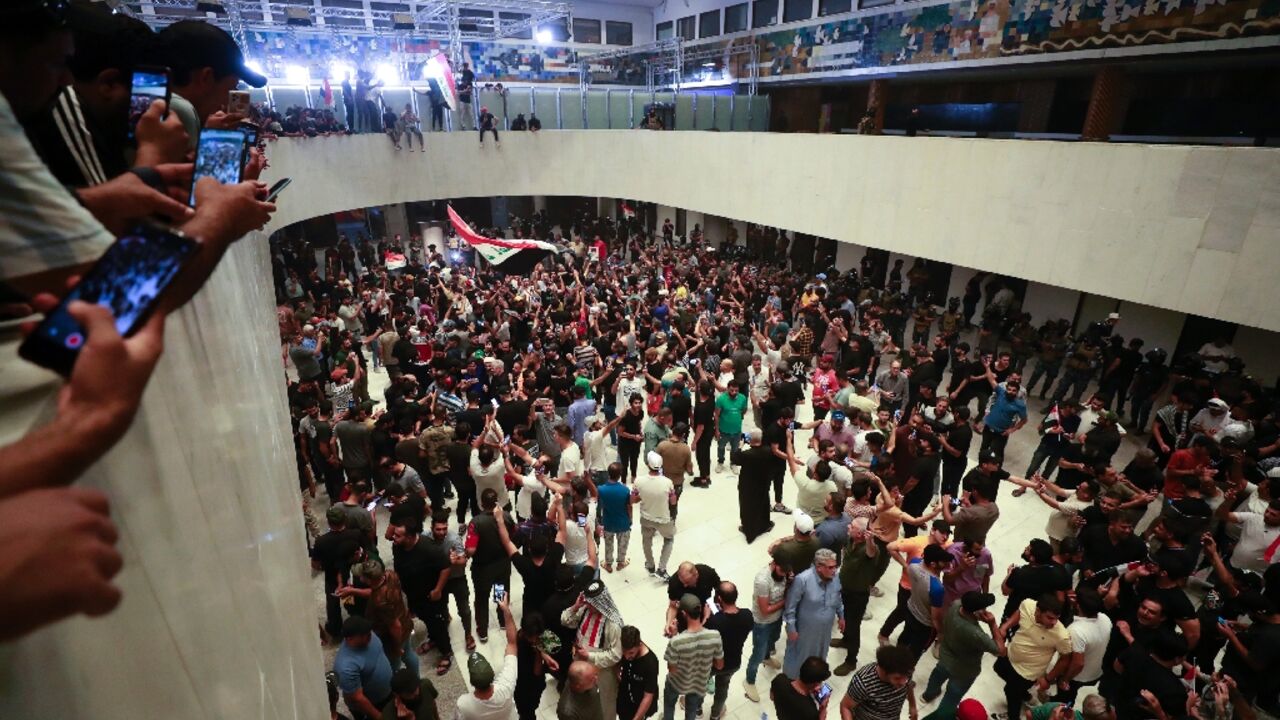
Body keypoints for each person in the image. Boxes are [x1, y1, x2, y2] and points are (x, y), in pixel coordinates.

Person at [919, 591, 1005, 708]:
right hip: (964, 670)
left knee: (937, 676)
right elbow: (1001, 651)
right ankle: (943, 713)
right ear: (975, 611)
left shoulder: (956, 604)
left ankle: (928, 695)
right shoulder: (975, 633)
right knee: (953, 695)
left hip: (945, 656)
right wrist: (992, 624)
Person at [993, 595, 1073, 720]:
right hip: (1010, 654)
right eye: (1050, 618)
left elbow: (1065, 659)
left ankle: (1013, 716)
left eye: (1056, 618)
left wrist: (1048, 679)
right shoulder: (1028, 604)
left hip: (1027, 671)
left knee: (1010, 692)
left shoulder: (1061, 635)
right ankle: (1026, 696)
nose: (1053, 622)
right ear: (1038, 611)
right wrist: (1005, 626)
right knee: (998, 668)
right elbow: (1019, 613)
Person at [783, 549, 845, 678]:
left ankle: (814, 681)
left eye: (835, 567)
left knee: (820, 657)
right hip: (805, 632)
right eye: (830, 567)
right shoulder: (802, 580)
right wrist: (791, 629)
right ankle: (793, 682)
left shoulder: (835, 577)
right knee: (800, 659)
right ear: (819, 567)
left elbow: (837, 598)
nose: (834, 570)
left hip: (825, 630)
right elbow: (790, 608)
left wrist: (841, 616)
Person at [456, 596, 519, 720]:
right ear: (492, 674)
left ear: (472, 681)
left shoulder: (463, 704)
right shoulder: (506, 685)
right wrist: (506, 610)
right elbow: (512, 643)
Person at [663, 594, 725, 720]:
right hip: (698, 683)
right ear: (701, 610)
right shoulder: (714, 636)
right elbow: (719, 665)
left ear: (684, 614)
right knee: (691, 709)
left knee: (669, 705)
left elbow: (672, 669)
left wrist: (674, 635)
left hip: (677, 683)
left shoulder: (677, 641)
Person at [705, 582, 755, 720]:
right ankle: (715, 714)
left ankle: (697, 710)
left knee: (700, 685)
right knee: (723, 688)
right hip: (733, 663)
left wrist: (706, 616)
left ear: (719, 599)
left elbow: (703, 637)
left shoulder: (714, 621)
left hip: (712, 663)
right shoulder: (747, 615)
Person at [744, 557, 790, 702]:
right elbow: (765, 610)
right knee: (757, 654)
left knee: (774, 639)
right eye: (781, 571)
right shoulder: (763, 581)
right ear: (774, 563)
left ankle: (767, 658)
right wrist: (785, 601)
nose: (783, 575)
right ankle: (749, 681)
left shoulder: (786, 572)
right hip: (762, 623)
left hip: (777, 618)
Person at [334, 616, 395, 720]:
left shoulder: (368, 635)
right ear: (349, 638)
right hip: (373, 705)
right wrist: (379, 716)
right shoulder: (346, 666)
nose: (370, 636)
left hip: (388, 693)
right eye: (363, 635)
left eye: (369, 633)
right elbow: (358, 698)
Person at [839, 645, 918, 720]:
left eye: (906, 677)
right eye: (897, 678)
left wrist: (912, 706)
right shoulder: (863, 682)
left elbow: (908, 686)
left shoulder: (905, 672)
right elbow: (845, 707)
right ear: (883, 671)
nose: (903, 682)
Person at [637, 451, 677, 579]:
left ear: (648, 464)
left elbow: (633, 500)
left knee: (646, 540)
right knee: (669, 539)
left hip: (646, 517)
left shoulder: (639, 481)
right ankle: (662, 568)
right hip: (663, 518)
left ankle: (650, 565)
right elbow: (673, 501)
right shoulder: (668, 482)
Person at [618, 626, 661, 720]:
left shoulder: (650, 663)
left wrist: (636, 718)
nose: (626, 656)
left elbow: (648, 696)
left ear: (639, 644)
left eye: (631, 653)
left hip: (639, 703)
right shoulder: (625, 647)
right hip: (625, 698)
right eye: (624, 652)